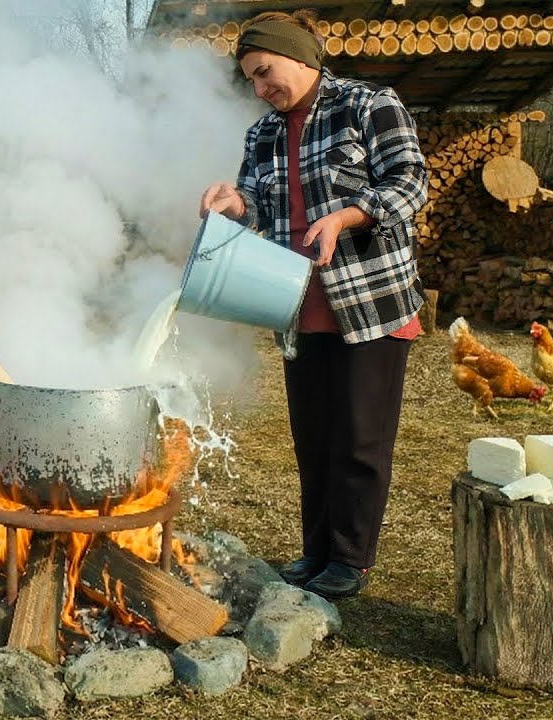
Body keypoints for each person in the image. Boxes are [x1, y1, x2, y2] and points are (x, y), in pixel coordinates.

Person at [199, 9, 428, 600]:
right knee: (314, 436)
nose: (259, 87)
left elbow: (410, 182)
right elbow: (256, 201)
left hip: (370, 300)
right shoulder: (264, 133)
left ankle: (350, 560)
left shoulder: (368, 104)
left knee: (359, 437)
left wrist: (348, 216)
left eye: (265, 72)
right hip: (296, 303)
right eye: (250, 79)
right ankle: (317, 551)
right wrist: (232, 203)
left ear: (299, 56)